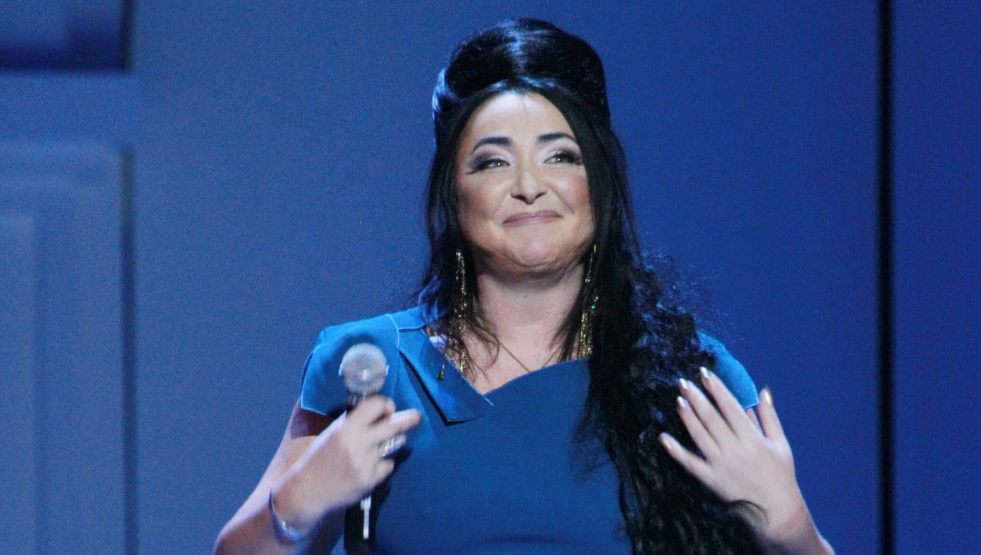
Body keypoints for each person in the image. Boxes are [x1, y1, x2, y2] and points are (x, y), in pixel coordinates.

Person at [213, 18, 835, 555]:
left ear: (599, 182)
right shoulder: (369, 369)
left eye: (560, 156)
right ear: (453, 194)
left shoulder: (688, 382)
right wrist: (297, 501)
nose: (530, 186)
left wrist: (792, 530)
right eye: (493, 161)